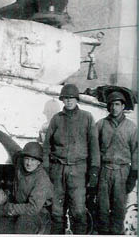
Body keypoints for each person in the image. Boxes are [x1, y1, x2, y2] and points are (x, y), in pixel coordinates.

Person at [43, 84, 100, 234]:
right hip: (58, 169)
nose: (68, 101)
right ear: (62, 100)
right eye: (66, 98)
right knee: (56, 210)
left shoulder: (87, 118)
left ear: (76, 99)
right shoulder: (56, 119)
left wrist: (94, 170)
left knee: (79, 211)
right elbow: (47, 145)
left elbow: (94, 146)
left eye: (71, 98)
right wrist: (46, 168)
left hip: (78, 170)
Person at [0, 125, 53, 234]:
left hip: (38, 214)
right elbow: (12, 146)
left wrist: (7, 209)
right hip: (18, 208)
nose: (29, 163)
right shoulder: (20, 163)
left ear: (39, 162)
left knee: (22, 226)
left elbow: (33, 208)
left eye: (33, 160)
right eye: (27, 159)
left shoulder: (42, 179)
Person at [96, 91, 138, 235]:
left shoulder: (131, 127)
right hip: (104, 170)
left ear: (123, 106)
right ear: (108, 107)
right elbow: (93, 148)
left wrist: (133, 174)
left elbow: (136, 152)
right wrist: (94, 171)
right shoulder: (101, 124)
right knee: (102, 207)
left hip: (122, 172)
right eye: (111, 105)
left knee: (119, 208)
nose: (114, 108)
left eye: (117, 104)